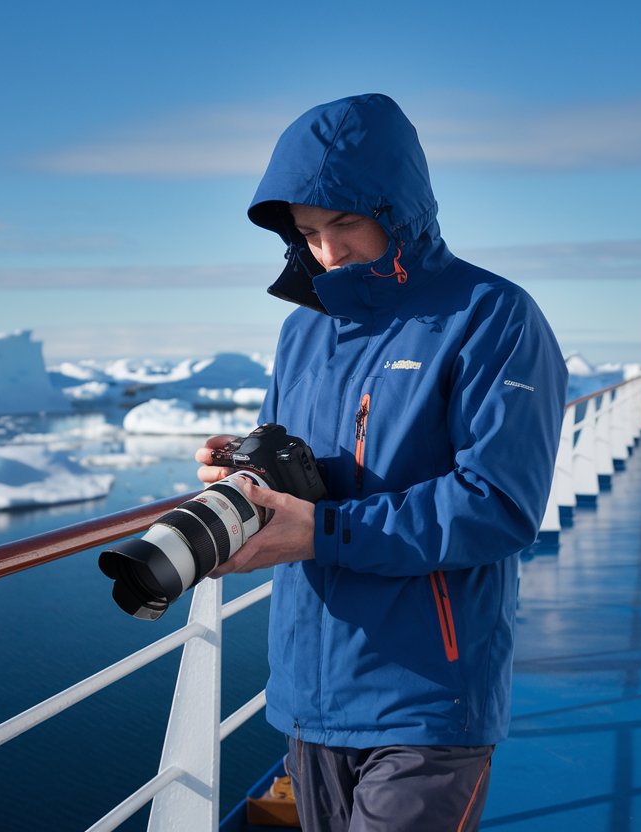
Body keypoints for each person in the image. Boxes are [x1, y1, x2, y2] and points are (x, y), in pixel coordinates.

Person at [195, 93, 567, 832]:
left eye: (345, 223)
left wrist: (322, 533)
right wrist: (248, 471)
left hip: (429, 697)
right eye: (307, 231)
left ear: (399, 209)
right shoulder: (304, 332)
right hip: (312, 691)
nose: (327, 252)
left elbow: (499, 503)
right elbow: (317, 468)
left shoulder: (492, 316)